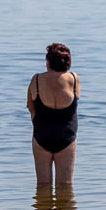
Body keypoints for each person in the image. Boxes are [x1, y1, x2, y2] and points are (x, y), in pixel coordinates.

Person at [27, 42, 79, 187]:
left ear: (48, 62)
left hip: (42, 136)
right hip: (66, 137)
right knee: (66, 186)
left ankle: (42, 208)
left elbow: (30, 106)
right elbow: (77, 99)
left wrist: (38, 124)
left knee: (43, 186)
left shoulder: (36, 80)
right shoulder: (74, 79)